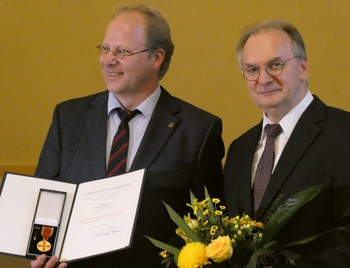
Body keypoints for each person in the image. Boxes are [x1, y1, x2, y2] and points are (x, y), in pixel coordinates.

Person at [31, 4, 224, 268]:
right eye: (105, 49)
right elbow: (46, 203)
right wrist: (41, 258)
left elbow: (208, 231)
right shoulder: (68, 117)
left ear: (156, 58)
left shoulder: (198, 130)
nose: (108, 59)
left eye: (122, 51)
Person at [224, 19, 350, 267]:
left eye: (275, 65)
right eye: (252, 70)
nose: (264, 79)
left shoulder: (343, 133)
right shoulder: (238, 149)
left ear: (303, 67)